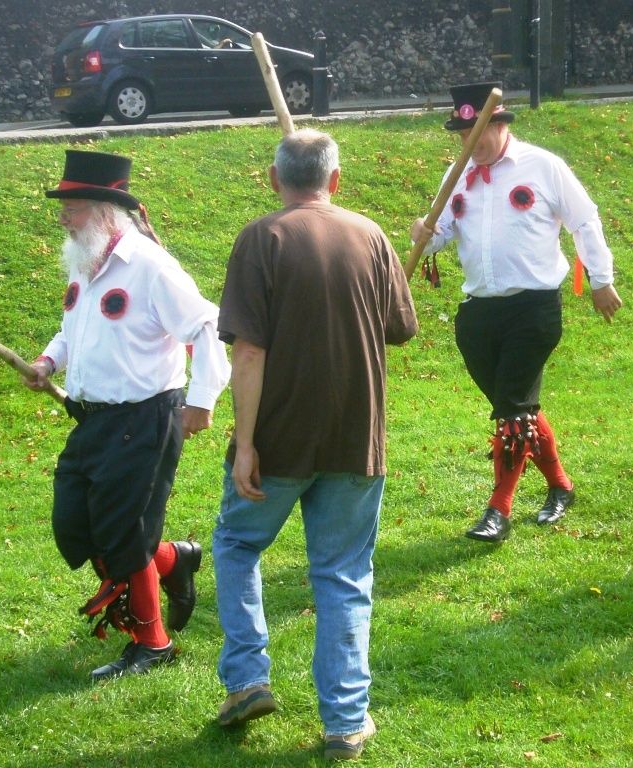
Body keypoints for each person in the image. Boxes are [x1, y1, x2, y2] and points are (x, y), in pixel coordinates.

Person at [212, 129, 418, 760]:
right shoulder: (373, 236)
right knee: (344, 574)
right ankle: (346, 721)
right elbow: (400, 328)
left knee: (238, 543)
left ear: (274, 180)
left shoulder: (261, 238)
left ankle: (248, 678)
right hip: (356, 435)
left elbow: (248, 350)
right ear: (336, 180)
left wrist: (245, 444)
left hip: (278, 437)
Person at [27, 150, 231, 678]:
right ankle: (171, 560)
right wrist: (51, 359)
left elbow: (207, 326)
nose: (63, 218)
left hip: (145, 419)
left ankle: (153, 643)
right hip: (92, 420)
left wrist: (202, 401)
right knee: (75, 524)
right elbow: (76, 327)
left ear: (103, 210)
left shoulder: (150, 266)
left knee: (124, 531)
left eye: (71, 208)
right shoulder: (86, 260)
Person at [410, 82, 622, 543]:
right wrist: (423, 232)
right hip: (477, 314)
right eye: (463, 136)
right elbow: (440, 232)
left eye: (480, 133)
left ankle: (498, 511)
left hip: (533, 309)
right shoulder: (458, 173)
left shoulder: (544, 166)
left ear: (501, 125)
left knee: (511, 408)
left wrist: (601, 280)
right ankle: (561, 486)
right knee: (518, 407)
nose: (472, 145)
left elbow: (584, 220)